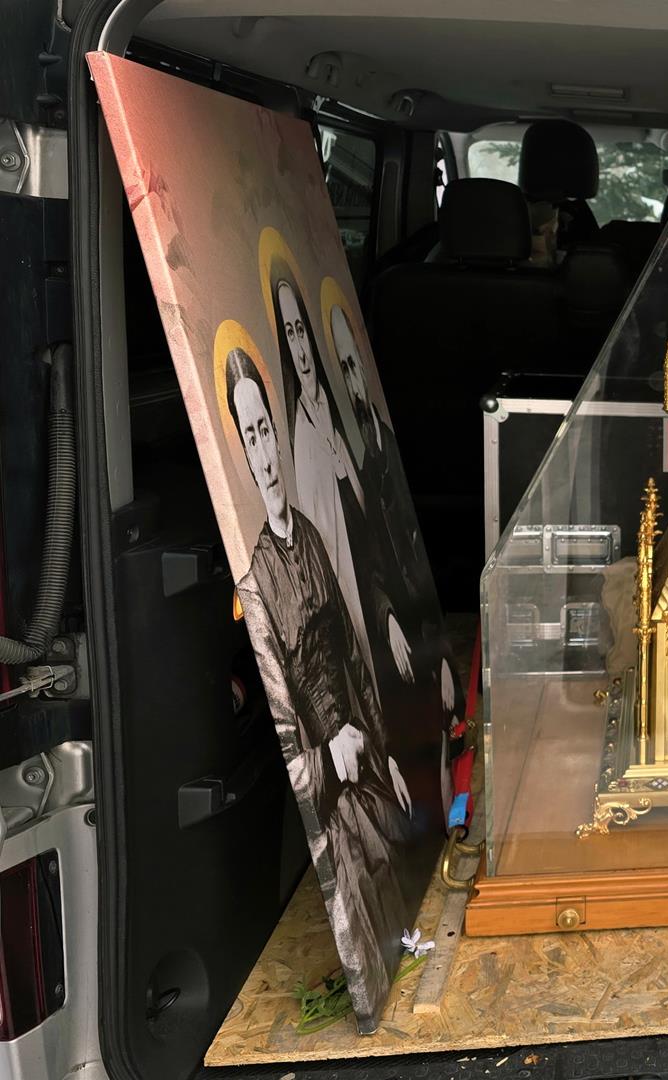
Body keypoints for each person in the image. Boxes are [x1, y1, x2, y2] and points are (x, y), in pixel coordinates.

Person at [223, 347, 414, 1024]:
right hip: (331, 794)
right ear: (243, 452)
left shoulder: (307, 533)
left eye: (265, 431)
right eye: (249, 438)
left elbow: (355, 661)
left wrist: (387, 751)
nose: (264, 453)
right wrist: (333, 753)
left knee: (406, 849)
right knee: (370, 892)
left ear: (277, 434)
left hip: (365, 754)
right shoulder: (255, 583)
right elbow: (287, 739)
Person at [329, 302, 458, 718]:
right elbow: (370, 566)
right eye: (343, 370)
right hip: (406, 644)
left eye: (354, 365)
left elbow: (417, 565)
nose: (353, 381)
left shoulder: (393, 452)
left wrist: (440, 653)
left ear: (366, 370)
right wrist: (386, 617)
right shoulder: (364, 467)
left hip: (429, 634)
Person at [270, 266, 369, 655]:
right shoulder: (305, 441)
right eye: (289, 333)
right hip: (353, 617)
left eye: (301, 329)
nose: (300, 347)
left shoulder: (337, 406)